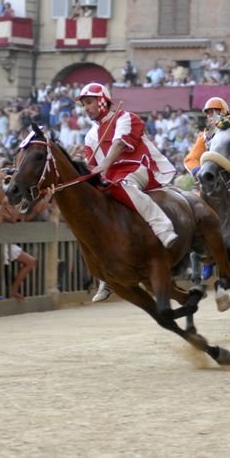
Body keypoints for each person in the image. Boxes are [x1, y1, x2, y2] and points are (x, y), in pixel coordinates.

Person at [79, 82, 178, 302]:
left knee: (121, 184)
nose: (86, 108)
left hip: (138, 167)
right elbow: (91, 164)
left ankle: (163, 227)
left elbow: (119, 146)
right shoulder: (89, 136)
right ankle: (107, 274)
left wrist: (103, 165)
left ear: (102, 101)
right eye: (84, 105)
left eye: (89, 102)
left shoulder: (125, 118)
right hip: (111, 176)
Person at [184, 97, 230, 279]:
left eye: (214, 111)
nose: (210, 116)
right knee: (194, 208)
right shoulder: (204, 136)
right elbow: (191, 159)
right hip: (210, 183)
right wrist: (198, 171)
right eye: (208, 112)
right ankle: (200, 252)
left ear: (224, 113)